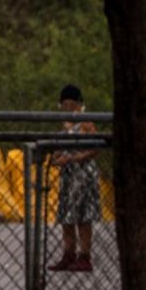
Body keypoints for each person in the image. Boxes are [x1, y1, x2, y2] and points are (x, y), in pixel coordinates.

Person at [48, 83, 102, 273]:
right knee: (66, 215)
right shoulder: (65, 125)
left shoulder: (86, 123)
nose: (68, 108)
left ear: (78, 103)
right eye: (65, 105)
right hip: (68, 176)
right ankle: (68, 254)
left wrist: (74, 158)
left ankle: (84, 256)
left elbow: (95, 148)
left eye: (71, 104)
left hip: (84, 174)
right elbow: (58, 148)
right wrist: (56, 157)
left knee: (84, 216)